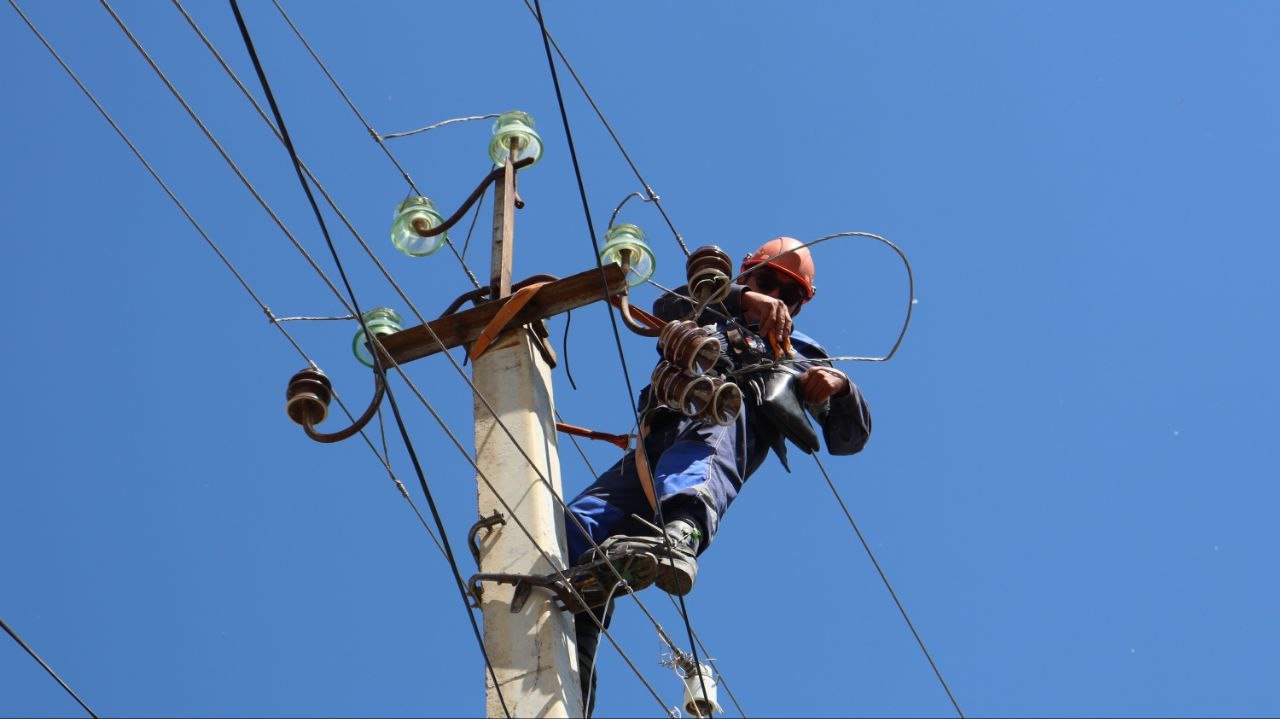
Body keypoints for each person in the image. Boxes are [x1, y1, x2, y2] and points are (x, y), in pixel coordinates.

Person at [563, 237, 873, 715]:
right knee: (568, 532)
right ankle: (572, 659)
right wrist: (738, 297)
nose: (777, 297)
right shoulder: (712, 305)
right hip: (652, 449)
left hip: (721, 428)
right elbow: (665, 306)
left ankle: (680, 536)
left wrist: (840, 386)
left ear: (800, 304)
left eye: (789, 294)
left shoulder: (802, 351)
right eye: (768, 281)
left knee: (709, 433)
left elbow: (849, 438)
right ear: (749, 274)